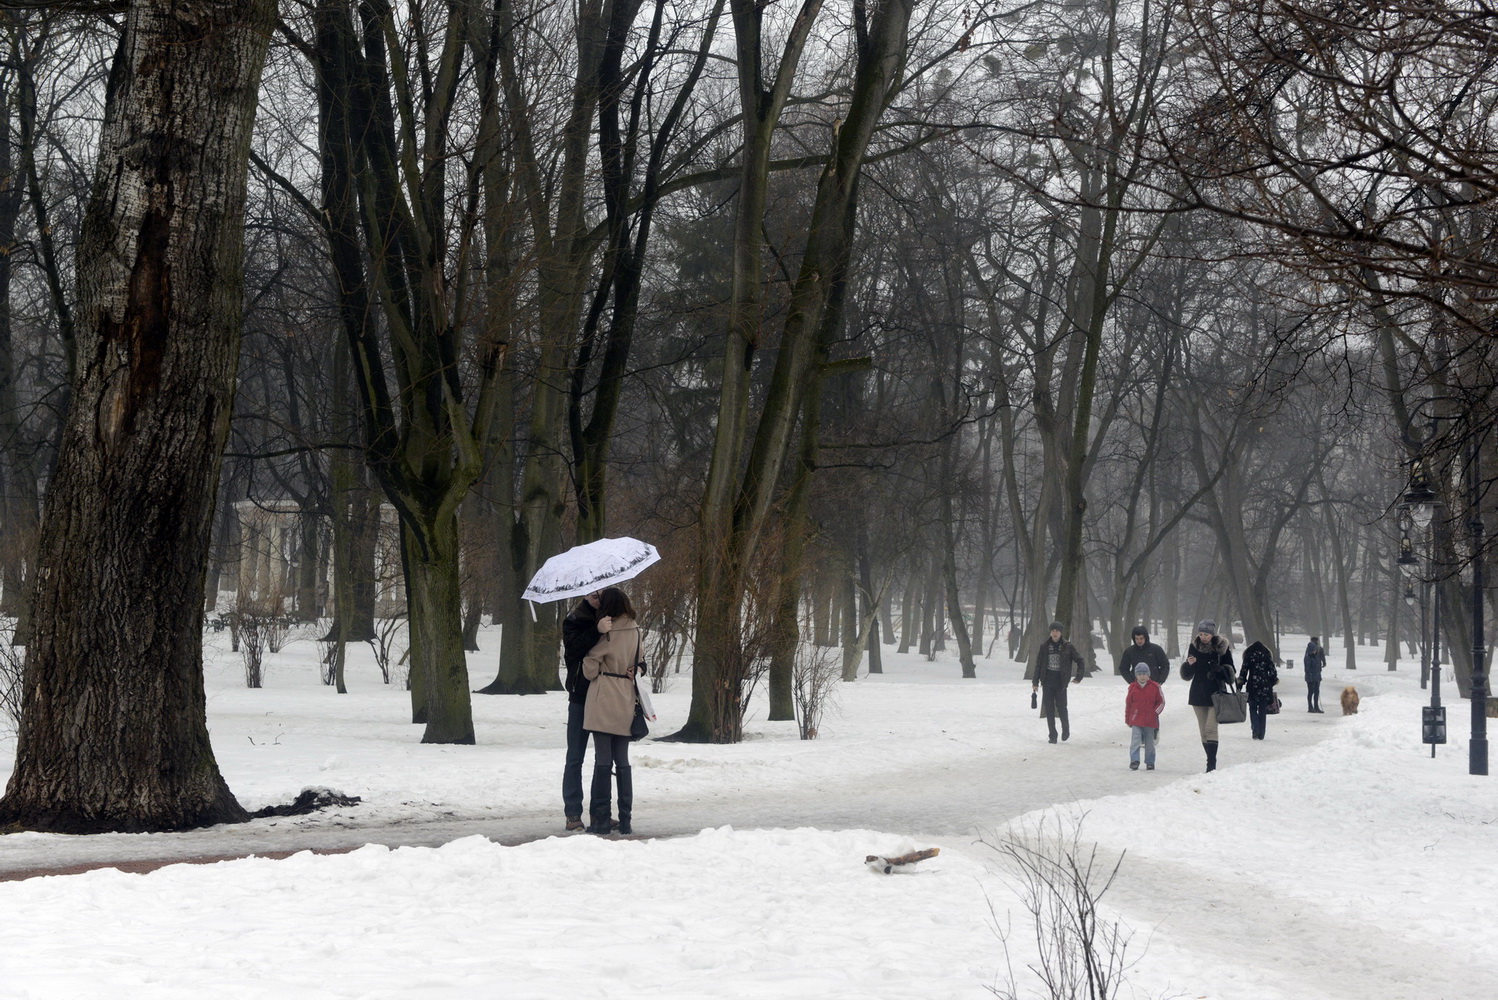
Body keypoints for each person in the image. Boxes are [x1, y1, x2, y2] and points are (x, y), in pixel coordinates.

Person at [580, 587, 643, 835]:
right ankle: (626, 819)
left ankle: (602, 820)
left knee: (603, 763)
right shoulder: (635, 629)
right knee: (623, 762)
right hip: (626, 697)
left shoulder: (607, 632)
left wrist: (592, 661)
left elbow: (589, 668)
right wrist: (636, 669)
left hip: (604, 697)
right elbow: (640, 661)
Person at [1179, 620, 1235, 772]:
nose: (1203, 637)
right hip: (1198, 693)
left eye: (1207, 634)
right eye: (1201, 634)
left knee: (1211, 729)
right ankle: (1210, 759)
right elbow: (1187, 675)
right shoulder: (1194, 646)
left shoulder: (1221, 648)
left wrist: (1221, 670)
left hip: (1216, 693)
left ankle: (1211, 764)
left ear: (1212, 634)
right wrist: (1189, 665)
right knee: (1203, 731)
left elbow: (1231, 673)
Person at [1028, 621, 1085, 743]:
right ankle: (1052, 735)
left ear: (1061, 632)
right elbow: (1038, 665)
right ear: (1050, 632)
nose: (1055, 633)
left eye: (1057, 631)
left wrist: (1078, 677)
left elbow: (1080, 660)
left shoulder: (1068, 646)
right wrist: (1035, 682)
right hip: (1047, 682)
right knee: (1049, 710)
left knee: (1062, 708)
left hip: (1061, 683)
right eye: (1053, 631)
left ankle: (1066, 729)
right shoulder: (1044, 647)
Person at [1125, 663, 1165, 770]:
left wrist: (1154, 713)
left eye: (1145, 674)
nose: (1142, 676)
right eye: (1140, 674)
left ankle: (1150, 761)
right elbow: (1129, 704)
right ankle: (1134, 760)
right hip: (1136, 719)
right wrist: (1128, 719)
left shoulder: (1155, 687)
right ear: (1136, 676)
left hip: (1150, 720)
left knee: (1149, 742)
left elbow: (1161, 702)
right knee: (1135, 740)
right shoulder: (1132, 687)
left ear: (1149, 675)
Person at [1238, 639, 1279, 740]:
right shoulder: (1267, 655)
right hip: (1265, 686)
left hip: (1252, 685)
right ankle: (1262, 732)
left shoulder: (1249, 655)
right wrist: (1271, 682)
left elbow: (1244, 671)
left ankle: (1255, 729)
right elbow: (1273, 672)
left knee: (1252, 708)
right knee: (1262, 709)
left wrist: (1240, 684)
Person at [1304, 636, 1326, 713]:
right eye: (1314, 650)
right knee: (1311, 691)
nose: (1315, 651)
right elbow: (1307, 669)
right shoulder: (1308, 657)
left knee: (1317, 691)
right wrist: (1310, 677)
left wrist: (1318, 674)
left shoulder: (1317, 656)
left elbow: (1319, 665)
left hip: (1317, 676)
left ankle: (1316, 706)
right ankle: (1310, 706)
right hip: (1310, 677)